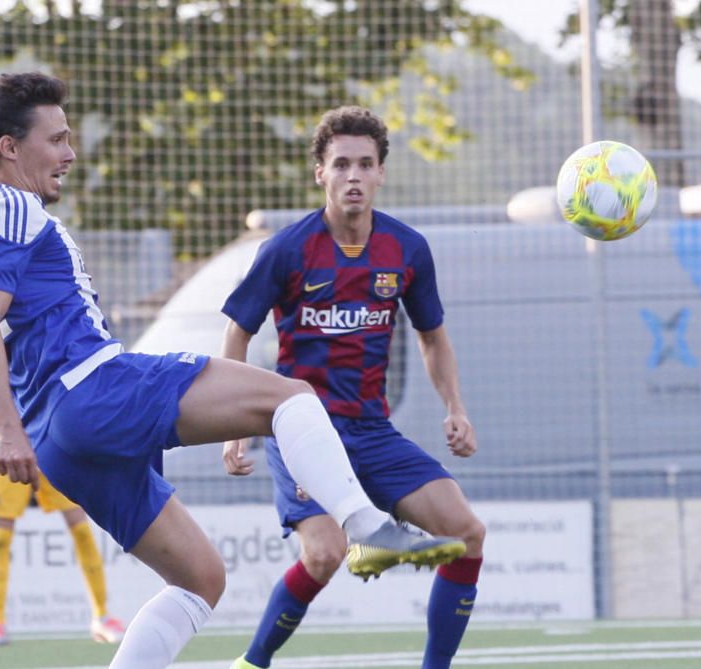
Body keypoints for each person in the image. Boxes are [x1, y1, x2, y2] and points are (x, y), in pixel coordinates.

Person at [0, 72, 462, 669]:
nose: (70, 153)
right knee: (291, 398)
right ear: (9, 149)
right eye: (58, 139)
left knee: (200, 579)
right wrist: (4, 430)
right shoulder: (8, 207)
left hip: (62, 442)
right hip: (93, 392)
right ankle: (367, 527)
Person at [221, 106, 485, 669]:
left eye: (365, 164)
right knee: (324, 554)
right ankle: (254, 663)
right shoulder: (288, 249)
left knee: (468, 533)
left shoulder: (406, 250)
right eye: (341, 164)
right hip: (302, 432)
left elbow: (433, 337)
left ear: (381, 173)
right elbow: (237, 334)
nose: (354, 176)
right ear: (320, 172)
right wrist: (234, 427)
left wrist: (455, 407)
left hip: (370, 431)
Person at [0, 368, 125, 647]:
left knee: (80, 528)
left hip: (51, 444)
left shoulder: (37, 338)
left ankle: (102, 616)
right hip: (7, 451)